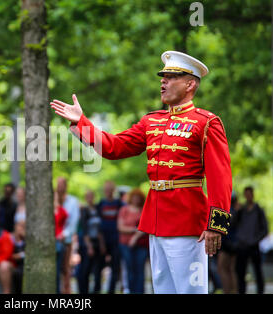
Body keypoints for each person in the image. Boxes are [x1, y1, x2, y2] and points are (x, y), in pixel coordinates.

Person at [51, 50, 233, 294]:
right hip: (156, 218)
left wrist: (216, 225)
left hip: (187, 219)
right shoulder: (151, 121)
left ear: (190, 84)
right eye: (163, 76)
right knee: (163, 289)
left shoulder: (206, 122)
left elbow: (221, 177)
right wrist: (81, 122)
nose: (163, 81)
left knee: (190, 290)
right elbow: (115, 147)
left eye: (172, 76)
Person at [233, 186, 269, 294]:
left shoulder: (258, 210)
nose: (248, 196)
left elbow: (265, 229)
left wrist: (255, 240)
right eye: (246, 194)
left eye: (250, 193)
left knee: (257, 270)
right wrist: (236, 211)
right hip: (242, 245)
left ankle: (260, 291)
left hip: (253, 245)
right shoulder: (241, 210)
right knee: (240, 271)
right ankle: (241, 291)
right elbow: (233, 225)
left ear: (252, 195)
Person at [117, 188, 149, 294]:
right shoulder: (124, 210)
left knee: (140, 270)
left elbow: (146, 227)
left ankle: (140, 291)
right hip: (125, 244)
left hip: (141, 245)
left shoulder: (144, 210)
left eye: (138, 198)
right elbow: (120, 227)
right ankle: (130, 290)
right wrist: (135, 230)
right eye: (134, 197)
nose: (136, 200)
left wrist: (135, 237)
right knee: (129, 269)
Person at [95, 181, 123, 294]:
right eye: (106, 190)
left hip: (116, 240)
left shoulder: (119, 204)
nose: (108, 192)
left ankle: (111, 290)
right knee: (98, 268)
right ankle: (97, 290)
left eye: (110, 189)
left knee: (115, 268)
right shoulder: (101, 204)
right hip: (103, 239)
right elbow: (97, 224)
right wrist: (101, 242)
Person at [76, 190, 105, 294]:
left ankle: (96, 290)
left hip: (97, 242)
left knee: (98, 269)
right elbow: (84, 230)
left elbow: (100, 229)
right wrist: (89, 246)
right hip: (87, 244)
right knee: (86, 269)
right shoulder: (84, 210)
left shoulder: (97, 210)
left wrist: (102, 244)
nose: (90, 198)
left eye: (91, 196)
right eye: (88, 196)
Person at [56, 177, 80, 294]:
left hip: (67, 240)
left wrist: (64, 234)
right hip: (54, 239)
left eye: (62, 184)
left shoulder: (72, 201)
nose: (60, 187)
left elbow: (73, 222)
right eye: (58, 184)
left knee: (66, 269)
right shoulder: (53, 201)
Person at [217, 192, 239, 294]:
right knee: (231, 269)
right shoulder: (236, 211)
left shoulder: (227, 211)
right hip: (234, 243)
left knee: (222, 268)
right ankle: (233, 290)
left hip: (227, 244)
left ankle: (227, 290)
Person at [54, 192, 69, 294]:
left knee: (58, 270)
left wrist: (63, 234)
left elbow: (67, 225)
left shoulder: (62, 211)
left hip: (58, 242)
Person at [11, 219, 26, 294]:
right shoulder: (10, 238)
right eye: (19, 226)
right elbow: (11, 256)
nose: (21, 229)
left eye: (23, 227)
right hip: (13, 264)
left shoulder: (26, 240)